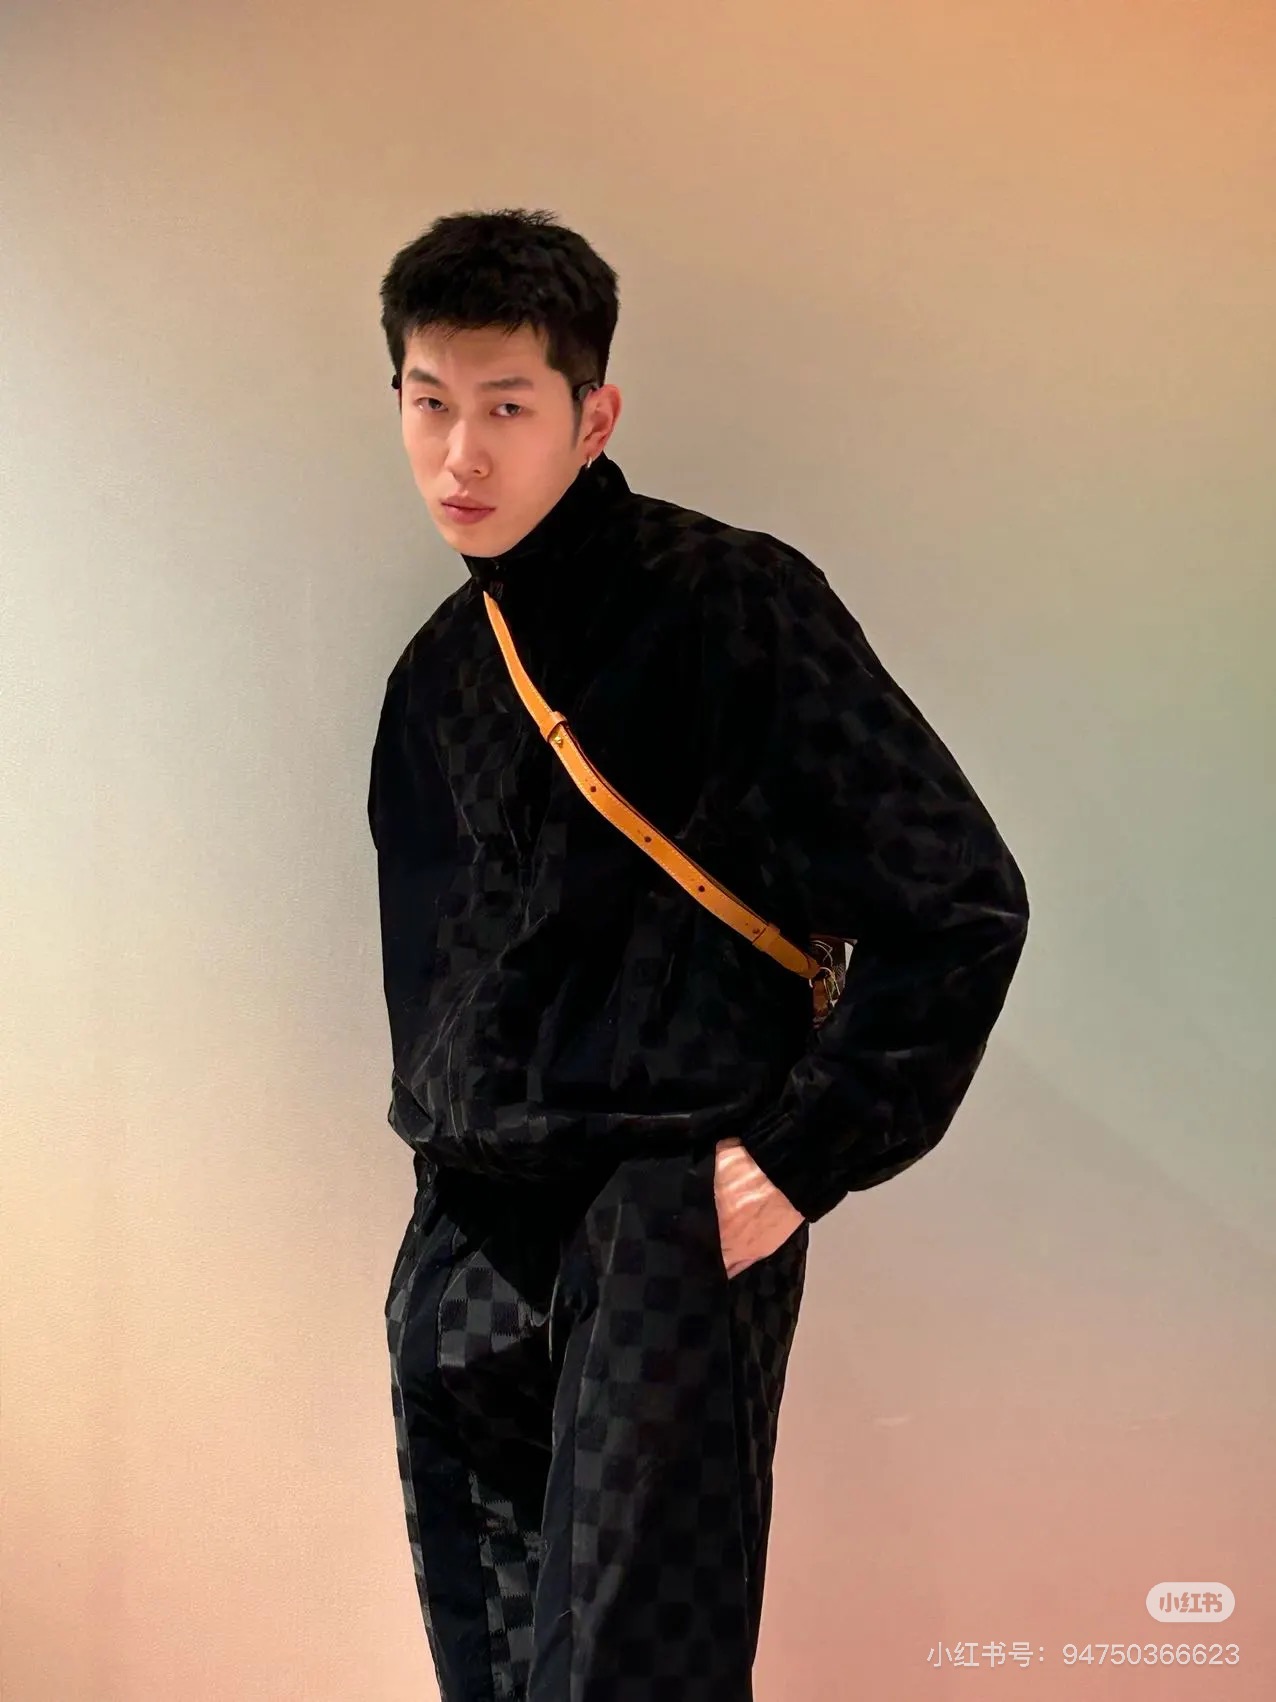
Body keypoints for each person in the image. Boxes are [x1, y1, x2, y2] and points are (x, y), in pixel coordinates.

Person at [367, 207, 1030, 1701]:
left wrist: (796, 1157)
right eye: (428, 402)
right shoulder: (434, 680)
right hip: (466, 1223)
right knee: (490, 1664)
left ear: (593, 416)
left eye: (507, 407)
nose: (460, 455)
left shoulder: (731, 603)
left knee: (634, 1671)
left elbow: (960, 902)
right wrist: (432, 1216)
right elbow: (434, 987)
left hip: (662, 1208)